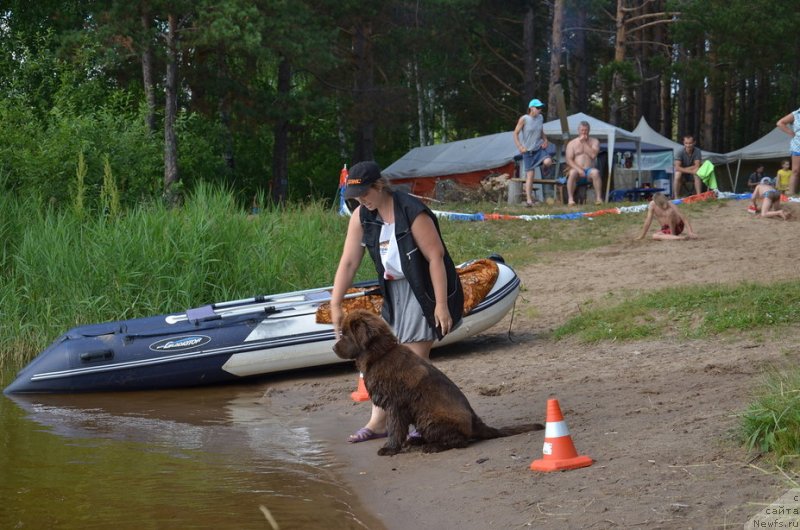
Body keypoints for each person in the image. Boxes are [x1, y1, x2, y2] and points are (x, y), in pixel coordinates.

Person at [330, 160, 464, 443]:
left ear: (380, 186)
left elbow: (435, 258)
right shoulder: (361, 216)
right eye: (355, 197)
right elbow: (350, 261)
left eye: (365, 194)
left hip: (423, 289)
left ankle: (399, 421)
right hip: (393, 291)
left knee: (413, 360)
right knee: (385, 359)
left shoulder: (412, 212)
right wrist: (335, 303)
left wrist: (440, 305)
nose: (361, 201)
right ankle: (386, 422)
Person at [513, 98, 553, 207]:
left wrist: (545, 140)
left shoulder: (541, 118)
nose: (540, 110)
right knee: (530, 175)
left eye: (541, 108)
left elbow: (541, 131)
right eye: (538, 108)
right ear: (531, 108)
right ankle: (529, 200)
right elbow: (515, 133)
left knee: (548, 162)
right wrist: (520, 147)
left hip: (538, 148)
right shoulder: (524, 119)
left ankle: (544, 168)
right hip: (528, 151)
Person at [564, 120, 603, 206]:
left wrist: (584, 143)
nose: (584, 132)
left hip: (589, 170)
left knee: (596, 172)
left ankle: (598, 198)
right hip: (576, 169)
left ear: (589, 130)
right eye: (582, 130)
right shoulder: (572, 143)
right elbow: (568, 159)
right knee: (573, 172)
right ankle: (571, 199)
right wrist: (579, 169)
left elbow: (593, 155)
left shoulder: (594, 141)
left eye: (586, 130)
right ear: (578, 130)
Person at [776, 108, 800, 195]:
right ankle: (792, 195)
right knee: (796, 171)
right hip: (798, 145)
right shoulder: (796, 113)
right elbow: (780, 123)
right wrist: (791, 133)